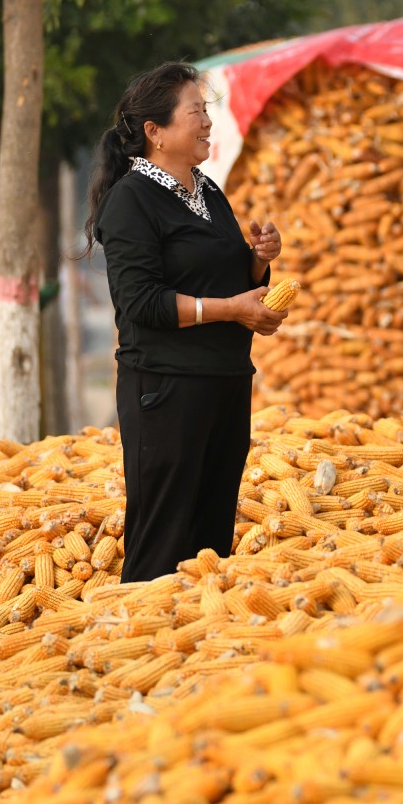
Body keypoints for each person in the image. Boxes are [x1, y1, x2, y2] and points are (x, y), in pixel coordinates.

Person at [83, 62, 289, 583]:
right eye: (195, 111)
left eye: (207, 111)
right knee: (163, 543)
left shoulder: (207, 193)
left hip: (224, 385)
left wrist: (259, 261)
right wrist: (232, 309)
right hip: (166, 391)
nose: (207, 122)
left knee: (210, 545)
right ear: (155, 132)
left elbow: (221, 274)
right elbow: (142, 303)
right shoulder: (131, 201)